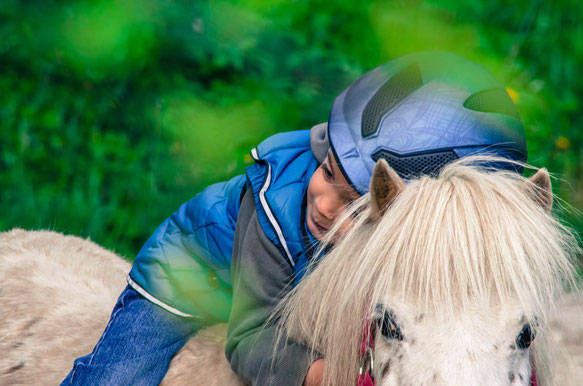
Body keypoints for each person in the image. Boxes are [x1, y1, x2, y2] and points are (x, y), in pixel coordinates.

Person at [62, 51, 527, 385]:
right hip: (191, 277)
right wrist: (322, 373)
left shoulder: (393, 244)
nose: (325, 205)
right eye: (327, 174)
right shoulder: (272, 214)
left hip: (290, 281)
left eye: (352, 204)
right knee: (118, 374)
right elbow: (250, 336)